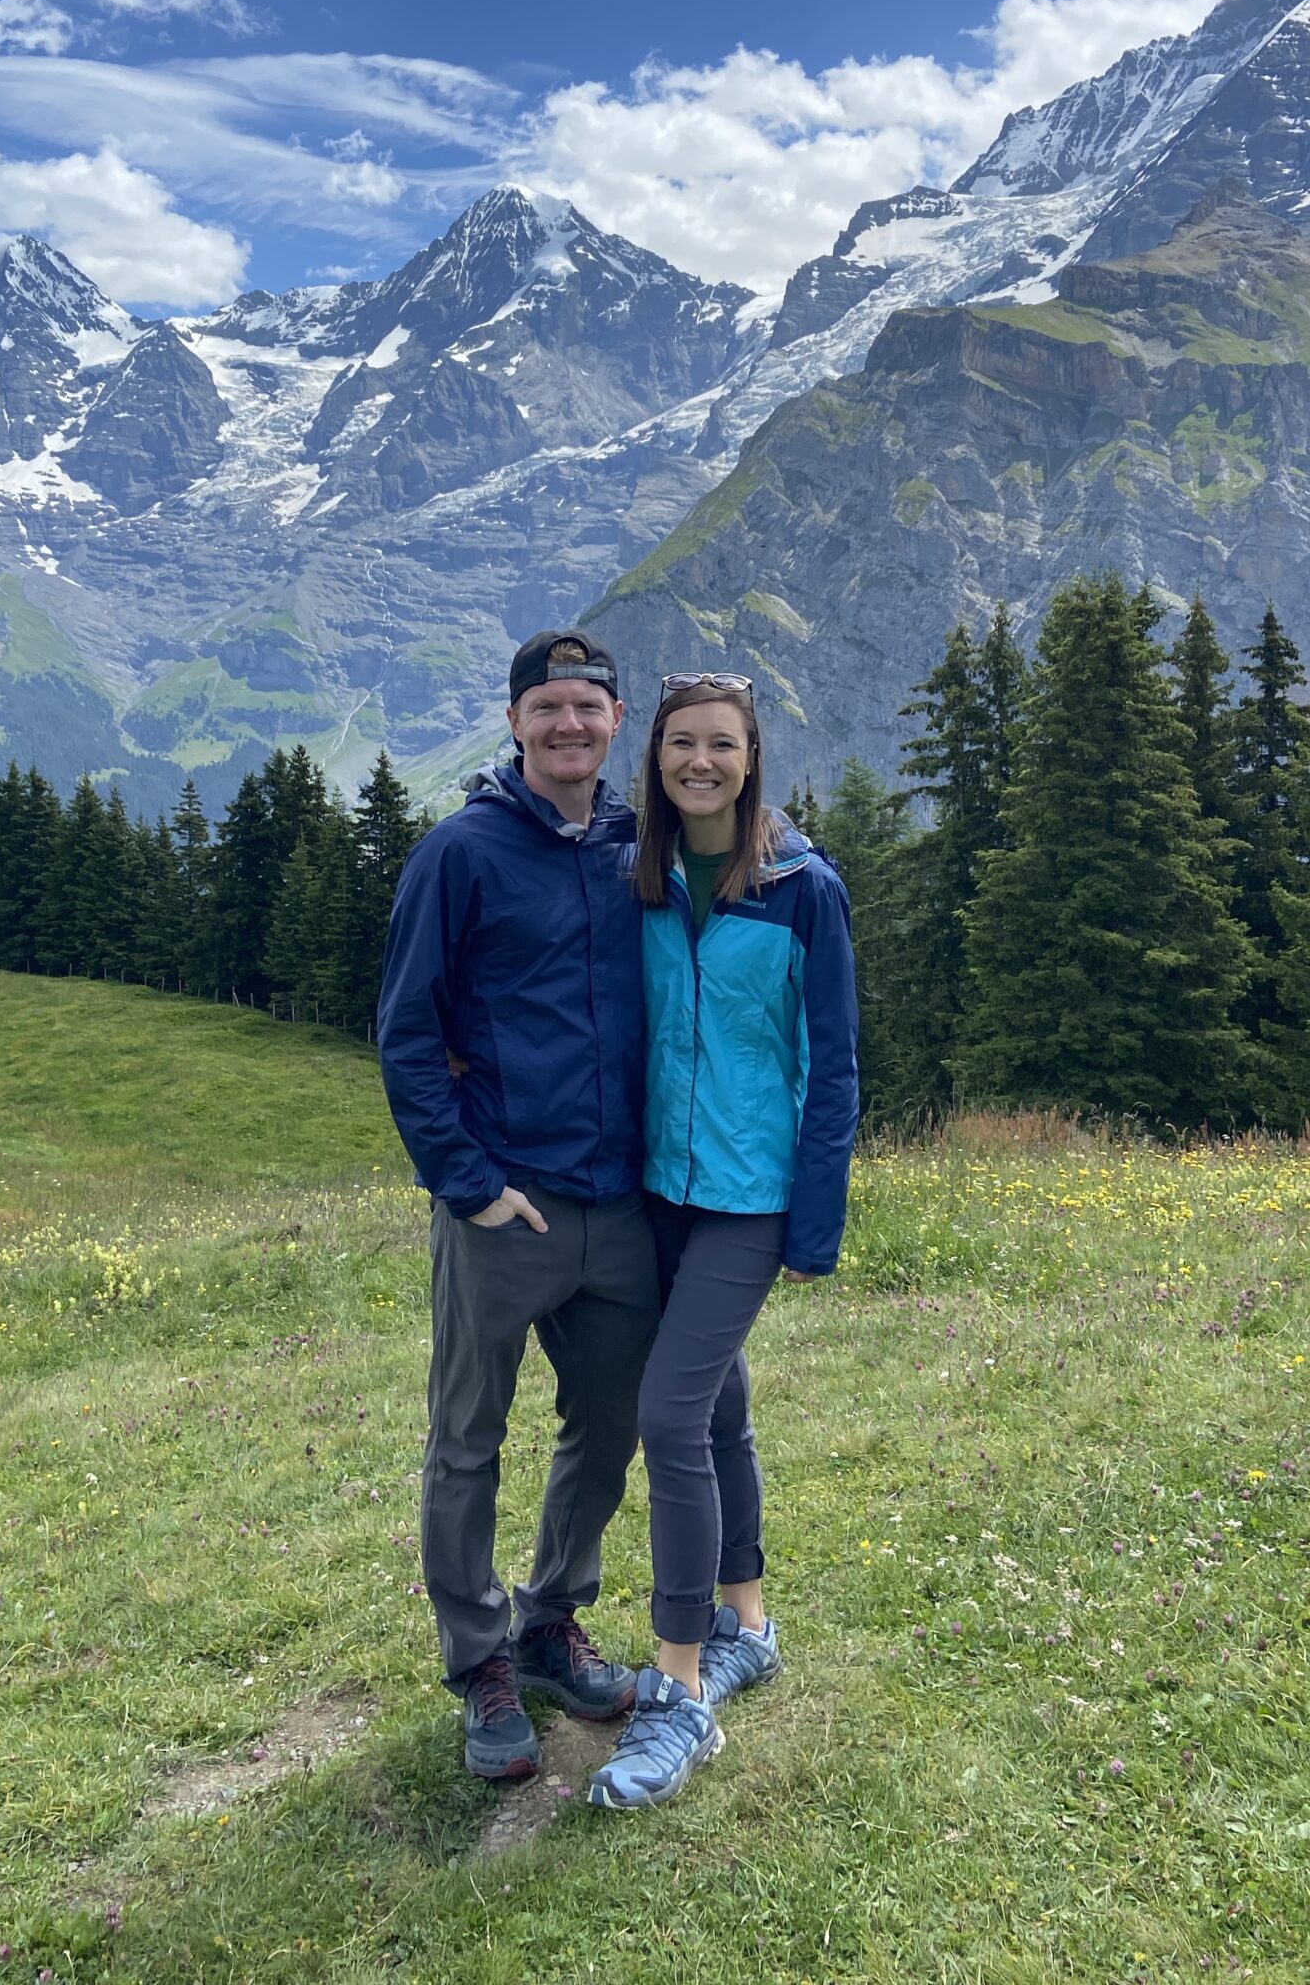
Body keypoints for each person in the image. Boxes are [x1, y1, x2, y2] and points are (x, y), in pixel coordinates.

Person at [378, 630, 661, 1781]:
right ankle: (479, 1663)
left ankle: (550, 1622)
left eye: (588, 706)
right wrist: (470, 1184)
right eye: (547, 706)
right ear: (514, 722)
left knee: (607, 1429)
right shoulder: (460, 852)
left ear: (616, 717)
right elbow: (404, 1032)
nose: (568, 725)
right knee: (467, 1442)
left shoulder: (644, 847)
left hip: (623, 1204)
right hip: (508, 1207)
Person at [588, 671, 859, 1811]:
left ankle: (681, 1688)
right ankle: (747, 1620)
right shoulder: (638, 877)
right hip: (662, 1187)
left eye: (723, 745)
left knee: (668, 1414)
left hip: (749, 1197)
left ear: (754, 759)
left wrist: (814, 1215)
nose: (700, 762)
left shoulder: (803, 888)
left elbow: (834, 1066)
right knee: (721, 1408)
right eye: (681, 745)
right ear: (656, 758)